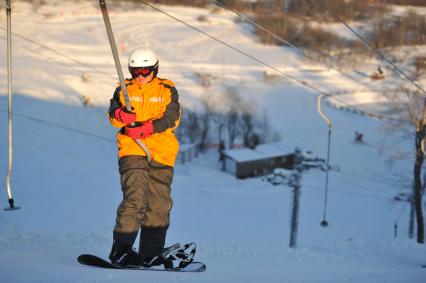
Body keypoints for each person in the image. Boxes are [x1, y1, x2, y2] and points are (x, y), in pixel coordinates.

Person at [107, 47, 181, 267]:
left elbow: (172, 117)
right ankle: (121, 251)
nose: (140, 76)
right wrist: (120, 114)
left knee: (159, 204)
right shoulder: (123, 88)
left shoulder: (167, 89)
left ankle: (151, 253)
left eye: (145, 71)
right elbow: (113, 114)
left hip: (162, 151)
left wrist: (149, 128)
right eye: (135, 71)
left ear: (155, 70)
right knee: (136, 198)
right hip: (132, 148)